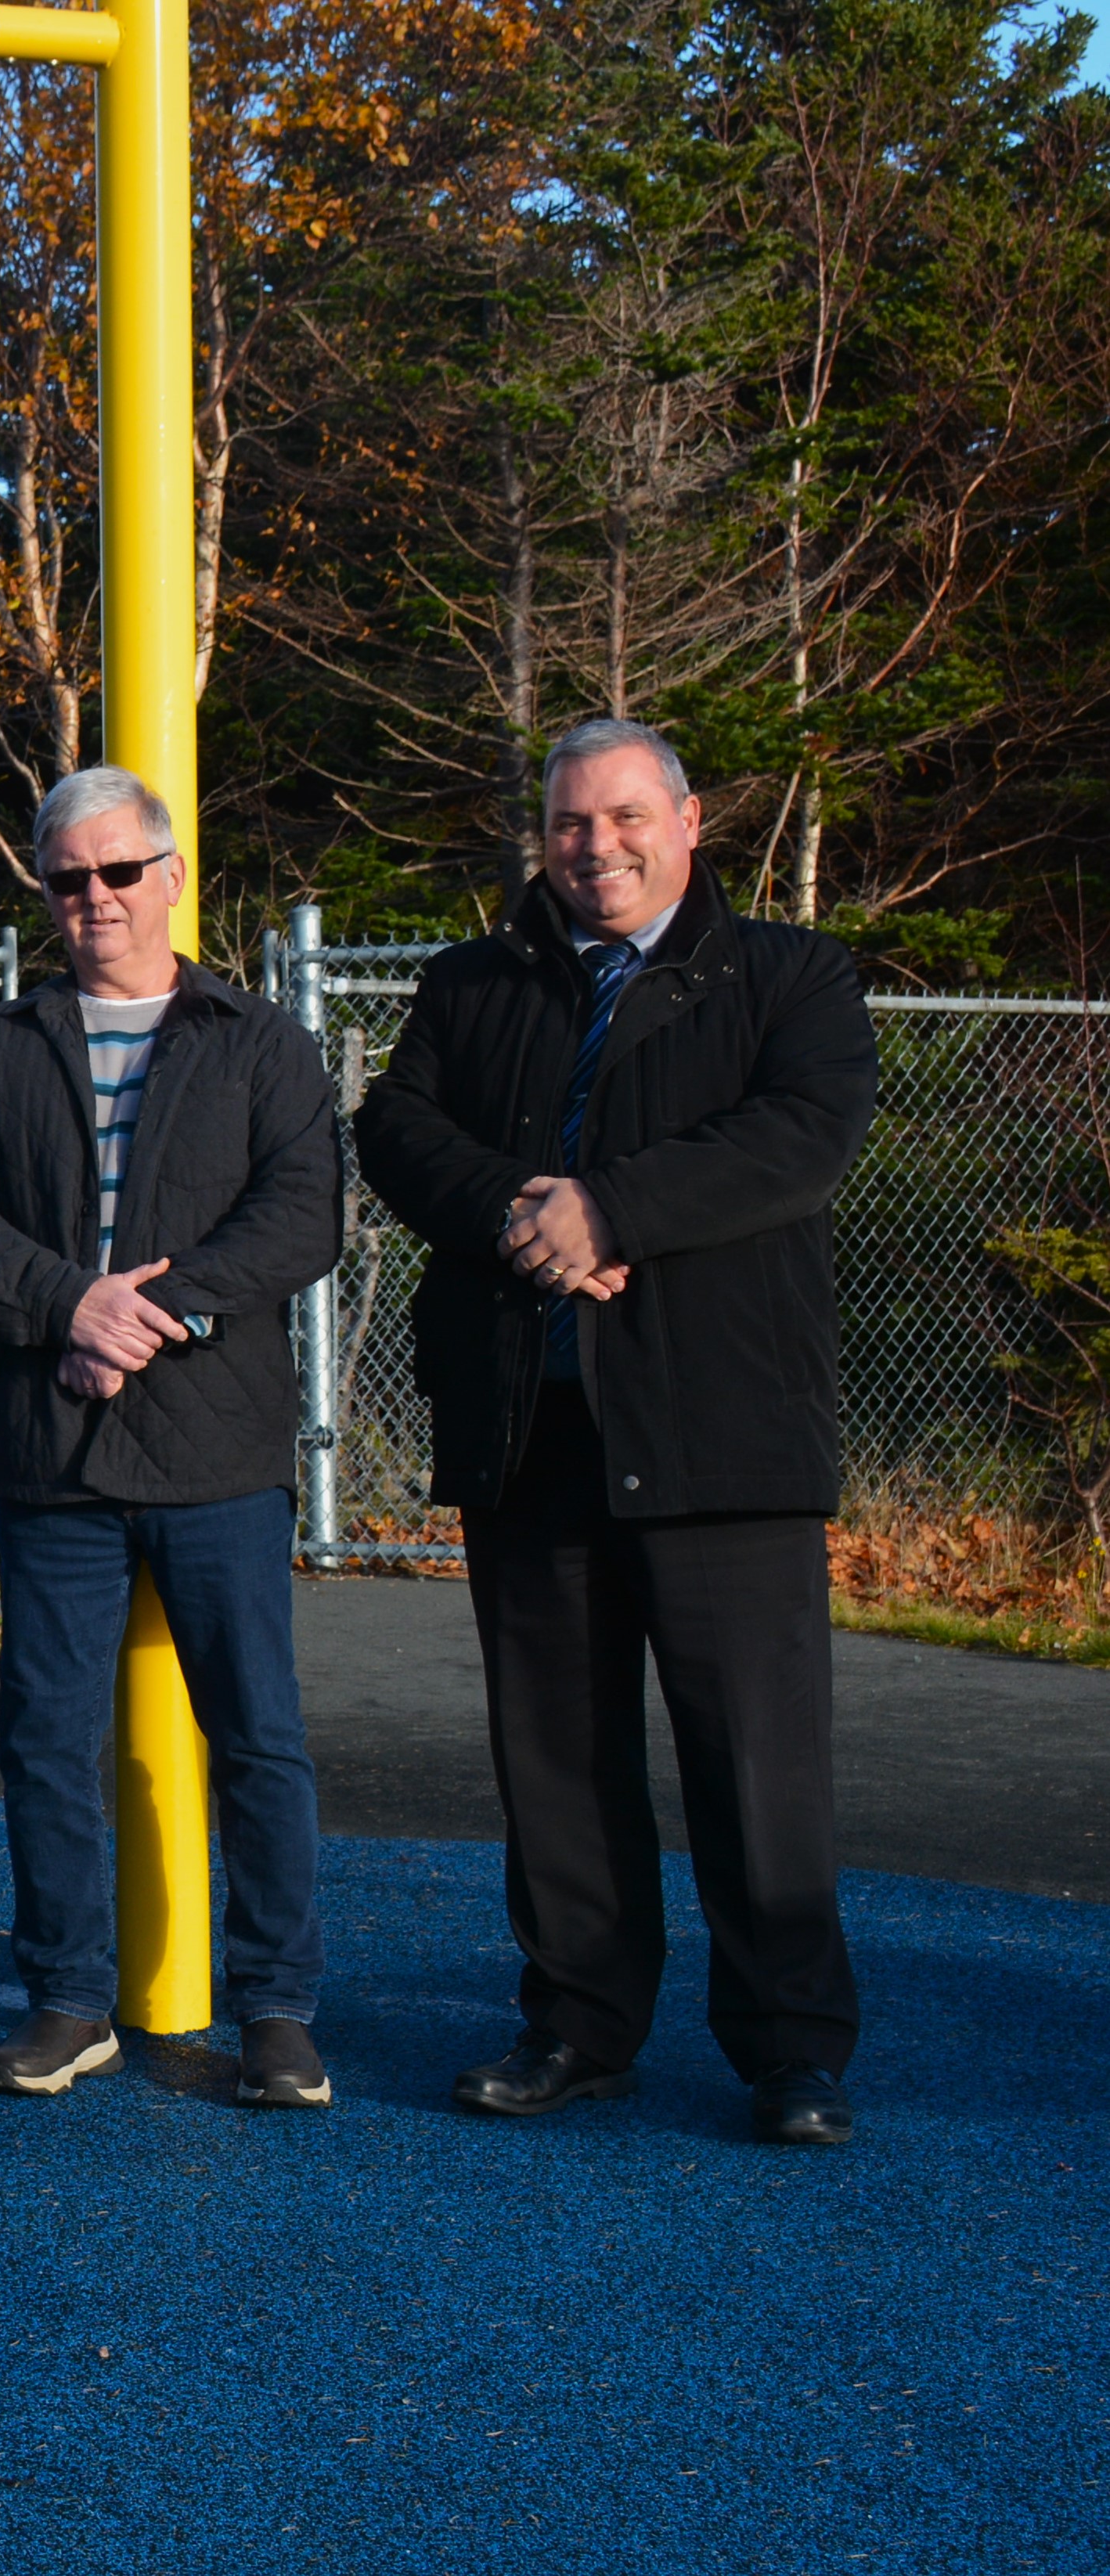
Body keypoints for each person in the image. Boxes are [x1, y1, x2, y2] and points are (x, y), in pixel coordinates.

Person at [354, 719, 878, 2147]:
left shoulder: (787, 975)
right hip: (533, 1430)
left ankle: (789, 2050)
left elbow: (802, 1135)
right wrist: (521, 1216)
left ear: (689, 819)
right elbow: (395, 1132)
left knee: (753, 1761)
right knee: (557, 1760)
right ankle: (579, 2027)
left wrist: (612, 1210)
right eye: (571, 824)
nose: (598, 847)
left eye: (626, 816)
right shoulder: (475, 983)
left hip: (724, 1438)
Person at [0, 766, 341, 2109]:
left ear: (169, 875)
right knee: (42, 1736)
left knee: (254, 1733)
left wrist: (153, 1321)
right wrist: (62, 1305)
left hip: (213, 1450)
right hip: (52, 1445)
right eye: (65, 879)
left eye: (115, 872)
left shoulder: (257, 1041)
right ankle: (68, 1999)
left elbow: (299, 1215)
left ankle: (274, 2009)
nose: (93, 899)